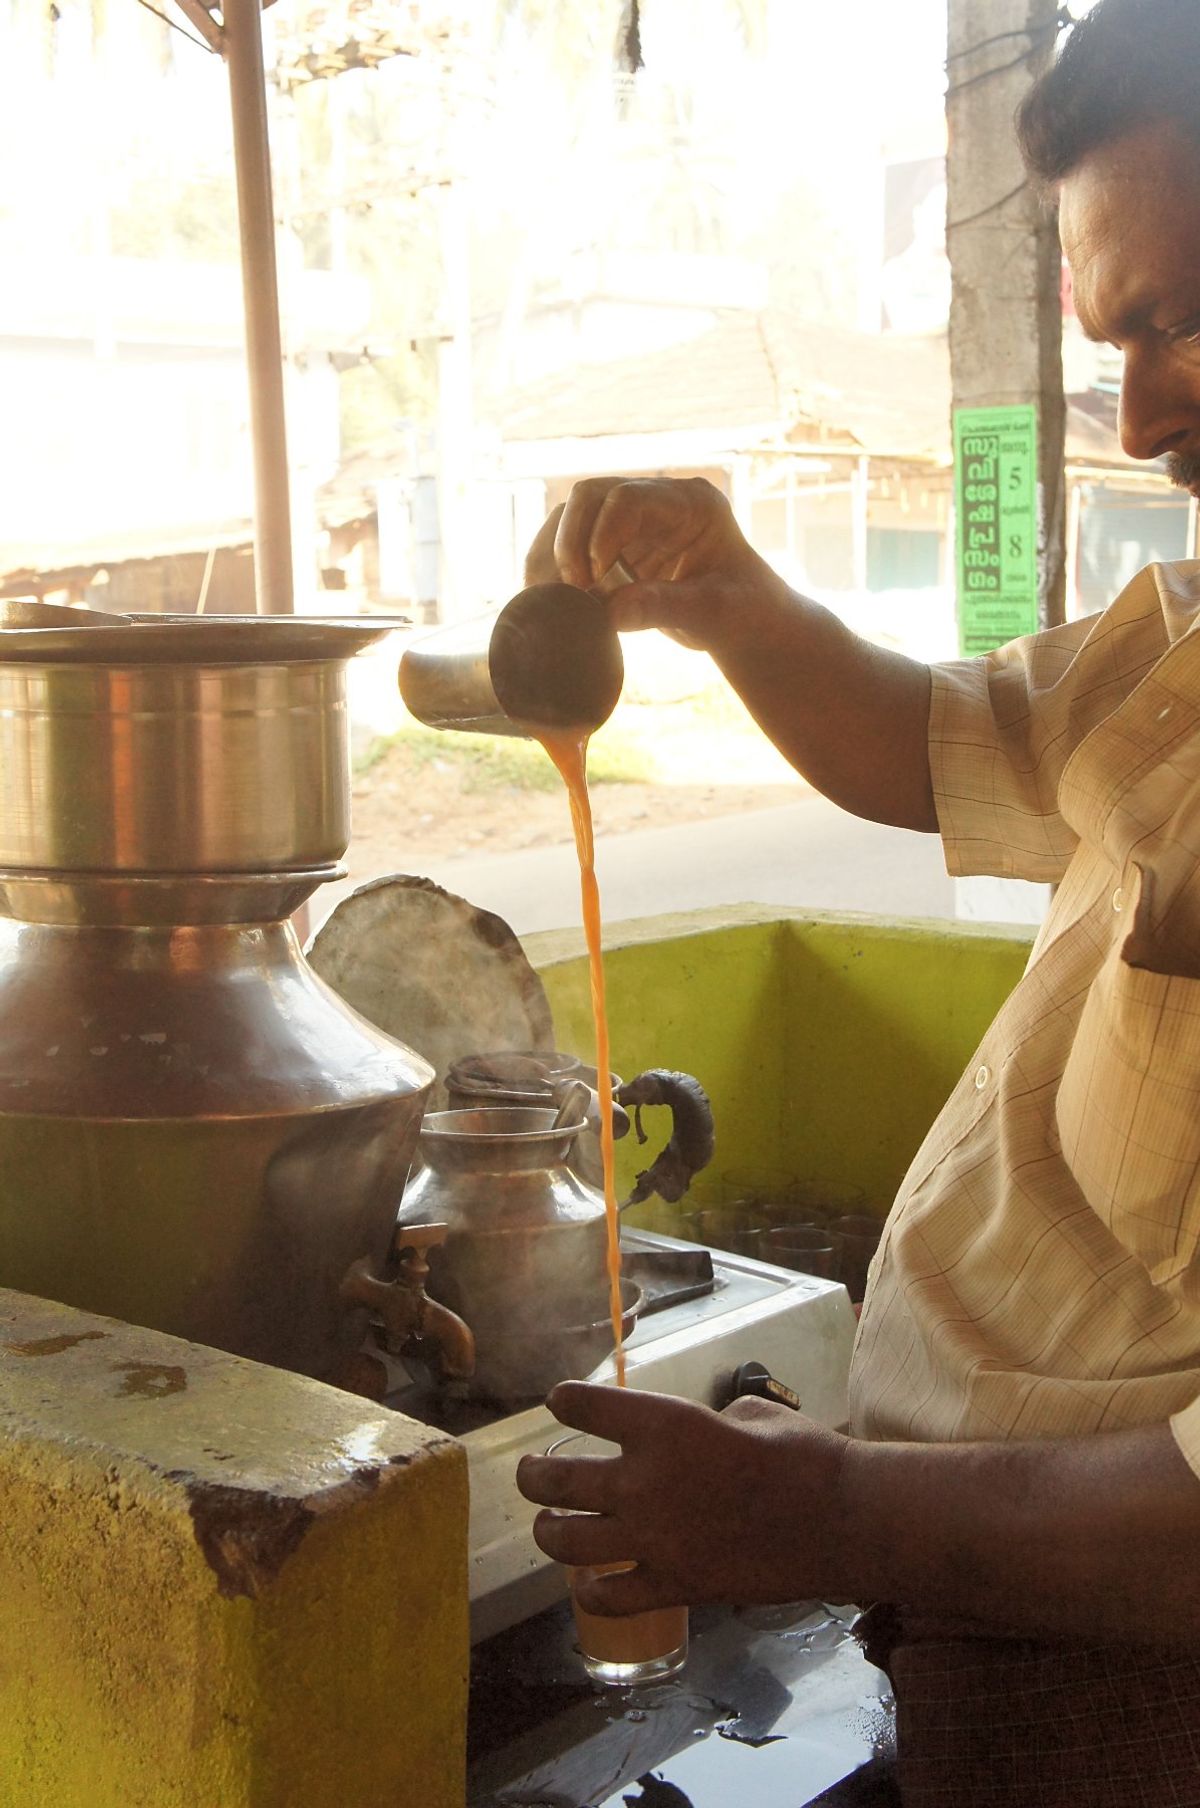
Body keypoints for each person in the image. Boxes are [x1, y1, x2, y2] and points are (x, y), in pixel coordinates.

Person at [516, 2, 1200, 1801]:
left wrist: (808, 1503)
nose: (1140, 414)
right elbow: (928, 742)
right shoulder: (1182, 654)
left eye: (1183, 320)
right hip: (972, 1630)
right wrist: (733, 596)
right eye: (1112, 339)